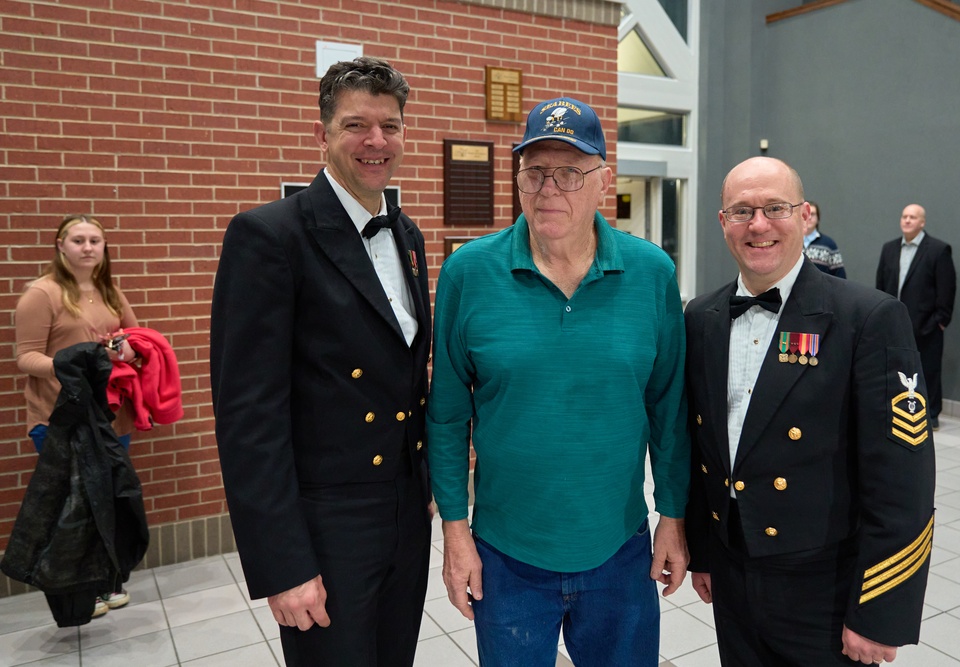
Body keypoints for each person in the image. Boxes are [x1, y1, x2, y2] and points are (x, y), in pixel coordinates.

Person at [427, 97, 690, 666]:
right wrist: (454, 533)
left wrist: (672, 516)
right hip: (504, 555)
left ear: (603, 183)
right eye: (534, 171)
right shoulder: (468, 273)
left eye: (570, 172)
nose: (550, 188)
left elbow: (668, 410)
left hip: (619, 551)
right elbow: (446, 416)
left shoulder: (651, 274)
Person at [210, 56, 432, 667]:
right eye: (356, 125)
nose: (376, 141)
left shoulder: (407, 236)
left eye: (390, 125)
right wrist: (284, 564)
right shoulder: (269, 236)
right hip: (327, 525)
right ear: (323, 134)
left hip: (405, 516)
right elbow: (248, 415)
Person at [685, 156, 935, 665]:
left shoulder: (868, 318)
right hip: (732, 576)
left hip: (825, 586)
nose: (758, 225)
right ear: (722, 223)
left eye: (775, 208)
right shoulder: (701, 316)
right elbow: (704, 448)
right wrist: (705, 552)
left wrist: (878, 609)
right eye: (741, 211)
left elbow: (902, 482)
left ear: (804, 217)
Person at [15, 213, 140, 618]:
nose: (88, 247)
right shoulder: (42, 293)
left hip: (108, 417)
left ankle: (107, 581)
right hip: (61, 419)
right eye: (78, 240)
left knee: (110, 500)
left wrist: (127, 351)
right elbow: (25, 357)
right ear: (60, 246)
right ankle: (80, 591)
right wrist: (76, 363)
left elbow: (136, 340)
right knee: (77, 506)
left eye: (95, 241)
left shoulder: (110, 291)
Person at [876, 204, 956, 431]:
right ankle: (896, 409)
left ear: (922, 222)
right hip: (894, 323)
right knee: (895, 369)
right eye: (904, 216)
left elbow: (947, 289)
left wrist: (940, 321)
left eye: (913, 217)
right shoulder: (889, 249)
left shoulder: (938, 250)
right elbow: (881, 285)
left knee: (928, 370)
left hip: (926, 325)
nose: (907, 220)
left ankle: (931, 414)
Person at [803, 201, 846, 278]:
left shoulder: (829, 245)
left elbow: (840, 277)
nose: (809, 217)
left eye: (812, 214)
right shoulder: (792, 243)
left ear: (818, 219)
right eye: (806, 214)